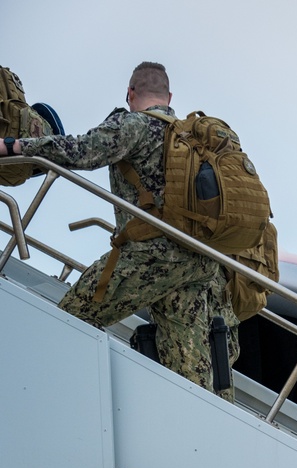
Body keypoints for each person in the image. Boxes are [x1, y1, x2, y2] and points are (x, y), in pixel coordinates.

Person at [1, 62, 238, 399]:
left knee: (68, 318)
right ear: (169, 97)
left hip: (150, 260)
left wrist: (16, 146)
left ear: (130, 93)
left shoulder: (136, 125)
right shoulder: (193, 138)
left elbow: (80, 151)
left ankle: (40, 394)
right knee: (191, 378)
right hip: (199, 265)